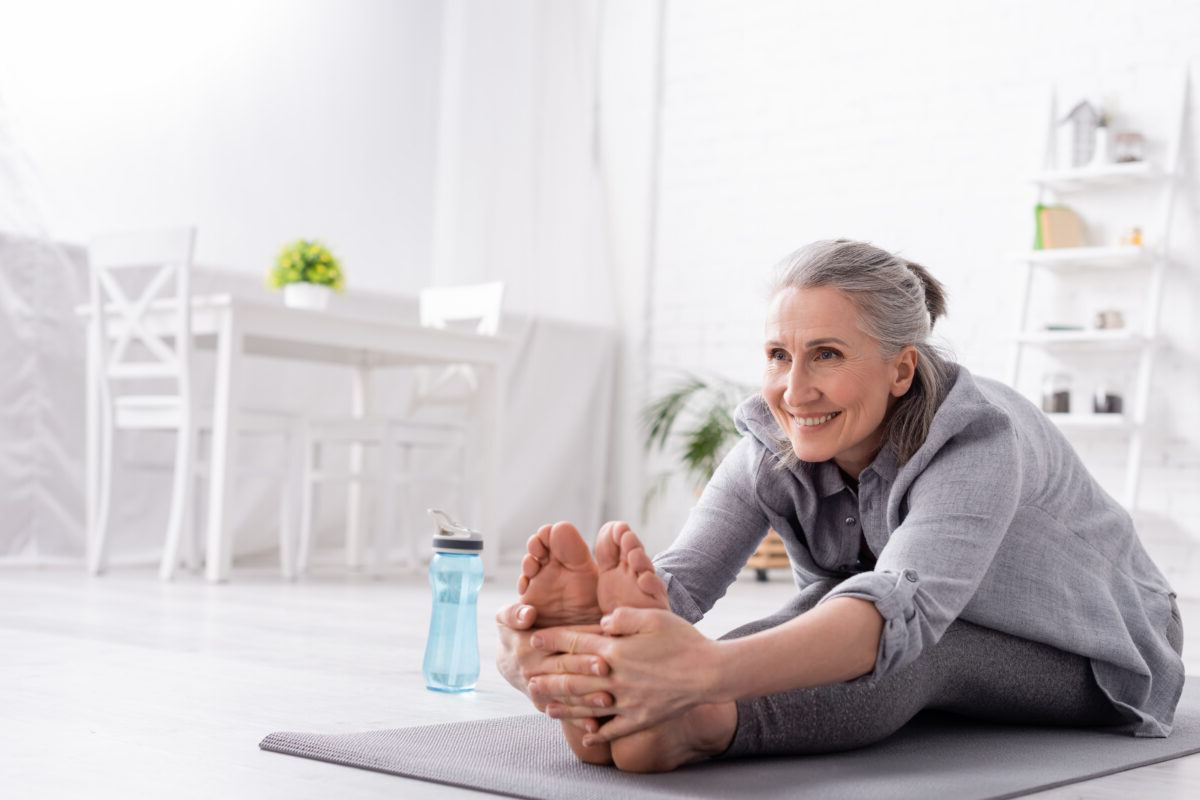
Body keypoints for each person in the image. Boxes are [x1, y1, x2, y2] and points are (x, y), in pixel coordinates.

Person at [495, 239, 1185, 773]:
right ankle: (616, 709)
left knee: (906, 635)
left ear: (901, 369)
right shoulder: (771, 443)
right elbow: (676, 587)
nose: (795, 390)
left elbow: (897, 612)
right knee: (808, 617)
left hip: (1096, 655)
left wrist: (702, 675)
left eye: (825, 355)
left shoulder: (979, 437)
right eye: (778, 355)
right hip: (902, 617)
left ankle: (699, 724)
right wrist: (569, 652)